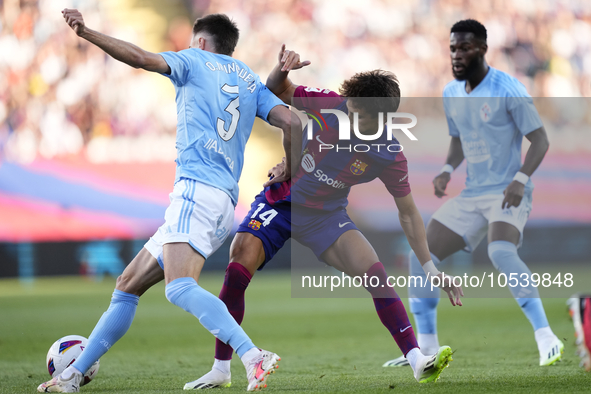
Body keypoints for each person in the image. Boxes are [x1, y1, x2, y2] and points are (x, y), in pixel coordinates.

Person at [38, 9, 300, 393]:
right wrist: (290, 168)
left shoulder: (193, 59)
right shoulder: (249, 80)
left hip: (196, 189)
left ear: (200, 41)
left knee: (179, 287)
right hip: (223, 200)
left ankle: (252, 355)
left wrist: (87, 32)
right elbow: (293, 123)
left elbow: (142, 59)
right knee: (127, 285)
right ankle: (72, 376)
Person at [184, 45, 464, 390]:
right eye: (355, 112)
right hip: (282, 203)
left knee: (375, 274)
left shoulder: (389, 153)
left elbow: (407, 213)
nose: (356, 121)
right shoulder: (329, 103)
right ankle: (221, 368)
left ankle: (417, 359)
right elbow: (273, 89)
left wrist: (430, 268)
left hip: (326, 216)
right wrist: (283, 69)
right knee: (238, 264)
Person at [383, 19, 559, 368]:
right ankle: (426, 349)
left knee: (501, 251)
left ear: (482, 48)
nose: (456, 55)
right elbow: (460, 139)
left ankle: (545, 336)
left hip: (508, 190)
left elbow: (540, 139)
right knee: (423, 255)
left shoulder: (508, 89)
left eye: (464, 48)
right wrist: (448, 169)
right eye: (452, 48)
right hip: (472, 193)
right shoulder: (451, 93)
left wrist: (521, 179)